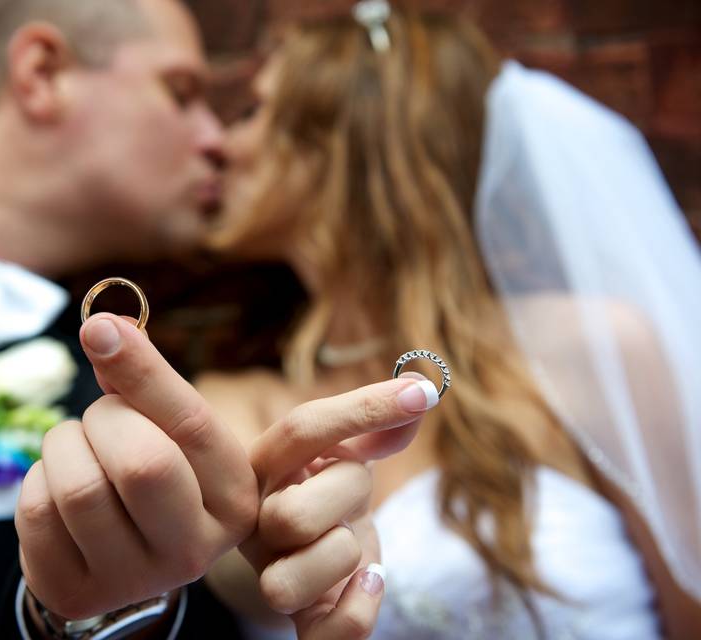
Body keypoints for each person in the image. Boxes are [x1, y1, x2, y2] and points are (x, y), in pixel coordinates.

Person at [0, 0, 432, 637]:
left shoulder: (130, 413)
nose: (215, 140)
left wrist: (107, 612)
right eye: (182, 93)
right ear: (43, 74)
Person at [200, 2, 701, 638]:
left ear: (340, 144)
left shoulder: (592, 347)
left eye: (252, 113)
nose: (219, 142)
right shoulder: (232, 406)